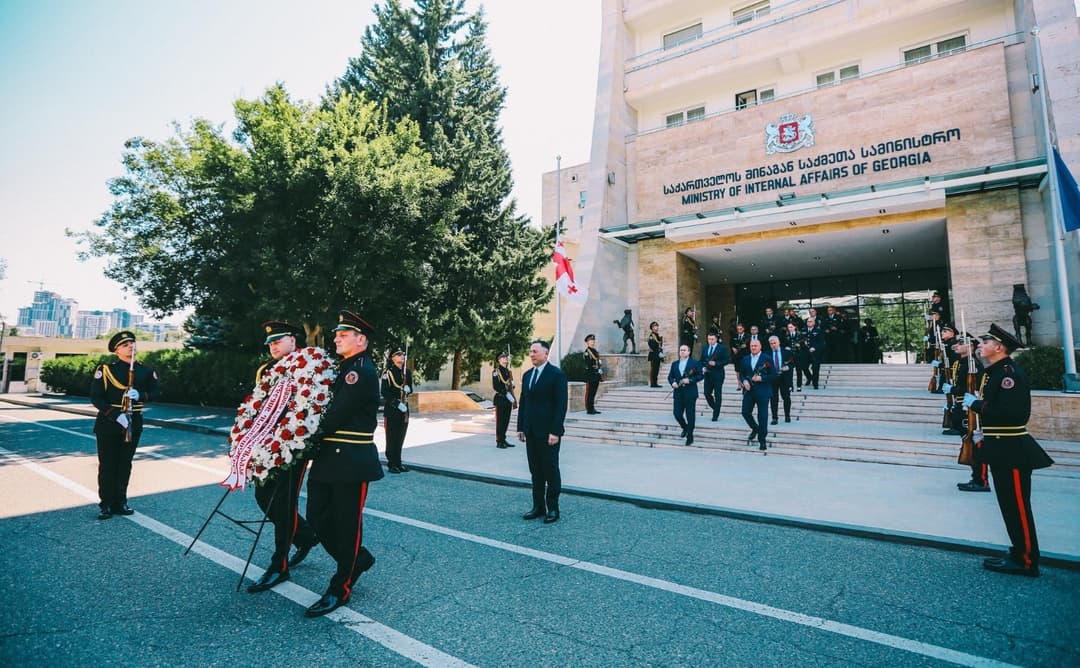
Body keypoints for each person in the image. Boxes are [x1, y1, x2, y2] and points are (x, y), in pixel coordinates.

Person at [304, 309, 384, 618]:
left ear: (361, 340)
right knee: (318, 518)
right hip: (328, 458)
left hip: (350, 460)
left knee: (347, 526)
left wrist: (304, 435)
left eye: (343, 334)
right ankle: (358, 559)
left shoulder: (360, 370)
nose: (336, 337)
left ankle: (341, 586)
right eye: (336, 334)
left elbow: (335, 413)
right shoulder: (343, 368)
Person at [962, 324, 1053, 577]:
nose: (980, 345)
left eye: (985, 342)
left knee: (1018, 506)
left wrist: (978, 405)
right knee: (1008, 505)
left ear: (999, 347)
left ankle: (1026, 560)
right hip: (999, 446)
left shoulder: (1008, 374)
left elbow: (1013, 414)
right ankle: (1017, 552)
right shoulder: (994, 372)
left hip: (1012, 448)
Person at [247, 321, 320, 594]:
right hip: (267, 447)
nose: (273, 346)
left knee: (284, 503)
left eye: (278, 341)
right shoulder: (265, 370)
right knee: (263, 499)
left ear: (292, 340)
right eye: (270, 343)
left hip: (294, 445)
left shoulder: (308, 365)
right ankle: (306, 535)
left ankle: (279, 565)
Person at [90, 330, 158, 520]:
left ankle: (120, 502)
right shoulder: (106, 370)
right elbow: (96, 397)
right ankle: (106, 504)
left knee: (124, 464)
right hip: (109, 423)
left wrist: (141, 395)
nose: (130, 347)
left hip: (133, 422)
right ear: (116, 351)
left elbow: (156, 393)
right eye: (125, 345)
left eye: (132, 343)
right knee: (107, 464)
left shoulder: (145, 371)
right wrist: (115, 415)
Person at [517, 340, 568, 524]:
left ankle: (553, 508)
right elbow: (524, 402)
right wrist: (521, 426)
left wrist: (555, 431)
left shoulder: (556, 375)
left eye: (535, 351)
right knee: (535, 471)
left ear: (546, 354)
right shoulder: (527, 375)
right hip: (531, 431)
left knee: (550, 471)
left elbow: (561, 405)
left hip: (549, 434)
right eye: (530, 351)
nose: (531, 354)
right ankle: (538, 507)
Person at [945, 335, 989, 492]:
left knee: (976, 445)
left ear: (971, 347)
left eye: (961, 343)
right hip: (960, 406)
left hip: (969, 409)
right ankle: (975, 477)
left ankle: (981, 479)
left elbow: (971, 389)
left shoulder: (973, 365)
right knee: (968, 442)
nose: (957, 346)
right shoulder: (961, 363)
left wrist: (953, 390)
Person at [739, 338, 778, 451]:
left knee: (762, 416)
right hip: (749, 391)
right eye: (751, 346)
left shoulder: (767, 358)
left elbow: (774, 375)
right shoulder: (745, 359)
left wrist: (761, 378)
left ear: (760, 346)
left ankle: (762, 440)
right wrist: (744, 381)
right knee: (745, 412)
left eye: (755, 345)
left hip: (763, 391)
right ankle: (755, 428)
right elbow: (742, 373)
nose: (753, 347)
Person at [381, 349, 414, 473]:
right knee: (391, 437)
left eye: (403, 354)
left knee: (400, 437)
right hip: (392, 410)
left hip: (404, 410)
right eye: (399, 355)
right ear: (393, 358)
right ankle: (391, 464)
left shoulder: (407, 373)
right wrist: (396, 403)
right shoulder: (387, 373)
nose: (402, 356)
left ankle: (398, 462)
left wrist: (408, 389)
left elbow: (411, 389)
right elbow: (384, 391)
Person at [668, 344, 703, 445]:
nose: (682, 352)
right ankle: (685, 427)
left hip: (690, 393)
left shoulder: (695, 363)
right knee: (677, 413)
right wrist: (673, 383)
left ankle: (690, 436)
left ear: (689, 352)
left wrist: (690, 380)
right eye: (681, 350)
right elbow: (670, 377)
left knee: (690, 415)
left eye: (684, 350)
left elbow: (700, 375)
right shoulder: (674, 364)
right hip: (678, 393)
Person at [699, 332, 729, 422]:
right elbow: (701, 360)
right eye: (709, 339)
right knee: (706, 393)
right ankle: (716, 408)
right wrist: (702, 367)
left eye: (712, 339)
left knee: (717, 395)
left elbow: (727, 360)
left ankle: (715, 415)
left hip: (718, 375)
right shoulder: (705, 348)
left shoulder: (722, 348)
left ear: (716, 339)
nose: (710, 341)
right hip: (707, 375)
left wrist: (716, 363)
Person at [492, 352, 518, 449]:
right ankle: (499, 441)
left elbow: (510, 385)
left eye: (506, 357)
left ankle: (503, 439)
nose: (506, 358)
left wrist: (512, 385)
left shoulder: (508, 371)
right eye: (503, 357)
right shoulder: (496, 371)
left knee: (506, 421)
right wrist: (505, 392)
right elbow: (496, 386)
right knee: (500, 422)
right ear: (499, 360)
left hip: (508, 400)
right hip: (501, 398)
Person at [767, 335, 794, 425]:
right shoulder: (767, 354)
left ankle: (787, 415)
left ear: (779, 343)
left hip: (784, 378)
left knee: (786, 397)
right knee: (773, 399)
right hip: (773, 379)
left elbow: (792, 363)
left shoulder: (786, 352)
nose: (773, 345)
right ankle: (774, 418)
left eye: (774, 343)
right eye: (771, 344)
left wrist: (788, 367)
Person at [784, 322, 810, 391]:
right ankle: (790, 386)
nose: (790, 329)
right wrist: (786, 348)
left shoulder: (800, 335)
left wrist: (800, 346)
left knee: (799, 371)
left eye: (791, 327)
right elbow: (784, 344)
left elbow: (805, 347)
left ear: (795, 327)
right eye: (789, 327)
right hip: (790, 356)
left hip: (798, 355)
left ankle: (799, 386)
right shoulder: (787, 336)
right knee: (790, 372)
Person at [582, 334, 603, 414]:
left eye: (593, 341)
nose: (592, 342)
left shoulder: (595, 351)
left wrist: (599, 368)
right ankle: (589, 409)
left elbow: (597, 361)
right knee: (590, 393)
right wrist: (596, 368)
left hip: (596, 375)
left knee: (594, 392)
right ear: (587, 342)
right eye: (591, 341)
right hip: (590, 375)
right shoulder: (587, 352)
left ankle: (592, 408)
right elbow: (588, 364)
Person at [804, 316, 825, 389]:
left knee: (815, 369)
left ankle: (815, 383)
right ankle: (809, 378)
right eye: (808, 321)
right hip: (805, 353)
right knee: (804, 367)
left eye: (810, 321)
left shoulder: (818, 331)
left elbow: (821, 343)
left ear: (814, 323)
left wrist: (815, 348)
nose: (809, 323)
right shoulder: (803, 330)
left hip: (815, 353)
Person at [646, 321, 664, 388]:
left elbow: (660, 345)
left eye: (657, 326)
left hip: (657, 355)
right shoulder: (651, 336)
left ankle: (655, 382)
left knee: (657, 369)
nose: (656, 328)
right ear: (652, 328)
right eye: (654, 326)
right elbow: (651, 345)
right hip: (654, 355)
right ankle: (653, 383)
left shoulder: (657, 335)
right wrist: (658, 352)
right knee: (654, 369)